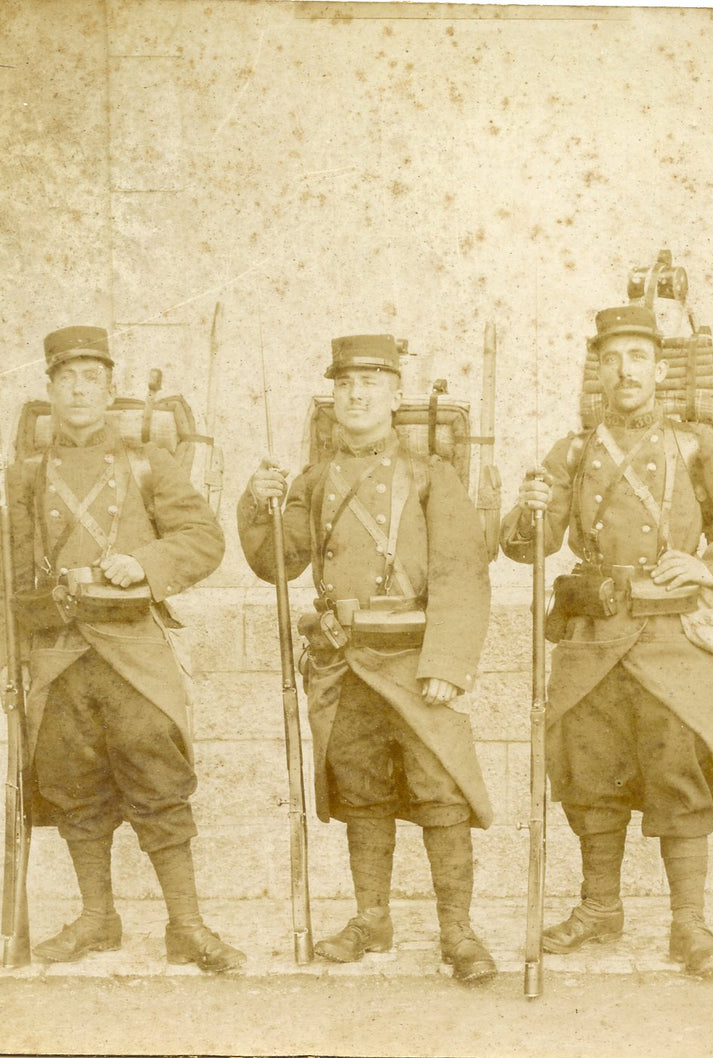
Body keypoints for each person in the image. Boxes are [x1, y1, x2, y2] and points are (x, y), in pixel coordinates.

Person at [502, 305, 713, 977]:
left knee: (677, 776)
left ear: (660, 370)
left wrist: (710, 566)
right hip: (590, 638)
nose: (623, 370)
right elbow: (528, 546)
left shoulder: (694, 444)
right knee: (588, 776)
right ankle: (600, 908)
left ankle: (689, 924)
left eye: (637, 357)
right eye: (611, 358)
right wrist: (528, 511)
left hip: (667, 639)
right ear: (597, 372)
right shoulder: (571, 451)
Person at [238, 334, 496, 983]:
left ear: (394, 395)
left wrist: (446, 663)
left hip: (414, 660)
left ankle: (457, 931)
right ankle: (371, 917)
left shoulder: (430, 476)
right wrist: (256, 501)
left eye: (371, 384)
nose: (356, 395)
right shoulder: (314, 480)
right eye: (346, 384)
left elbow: (463, 572)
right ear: (334, 395)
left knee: (441, 794)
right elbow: (279, 563)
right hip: (345, 662)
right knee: (362, 793)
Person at [0, 326, 243, 972]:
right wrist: (8, 663)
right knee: (75, 790)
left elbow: (203, 539)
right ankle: (98, 918)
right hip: (57, 654)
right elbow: (7, 577)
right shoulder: (22, 477)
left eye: (92, 378)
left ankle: (186, 924)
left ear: (109, 389)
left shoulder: (146, 463)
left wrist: (148, 562)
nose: (79, 390)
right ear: (49, 389)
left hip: (133, 651)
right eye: (66, 378)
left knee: (159, 779)